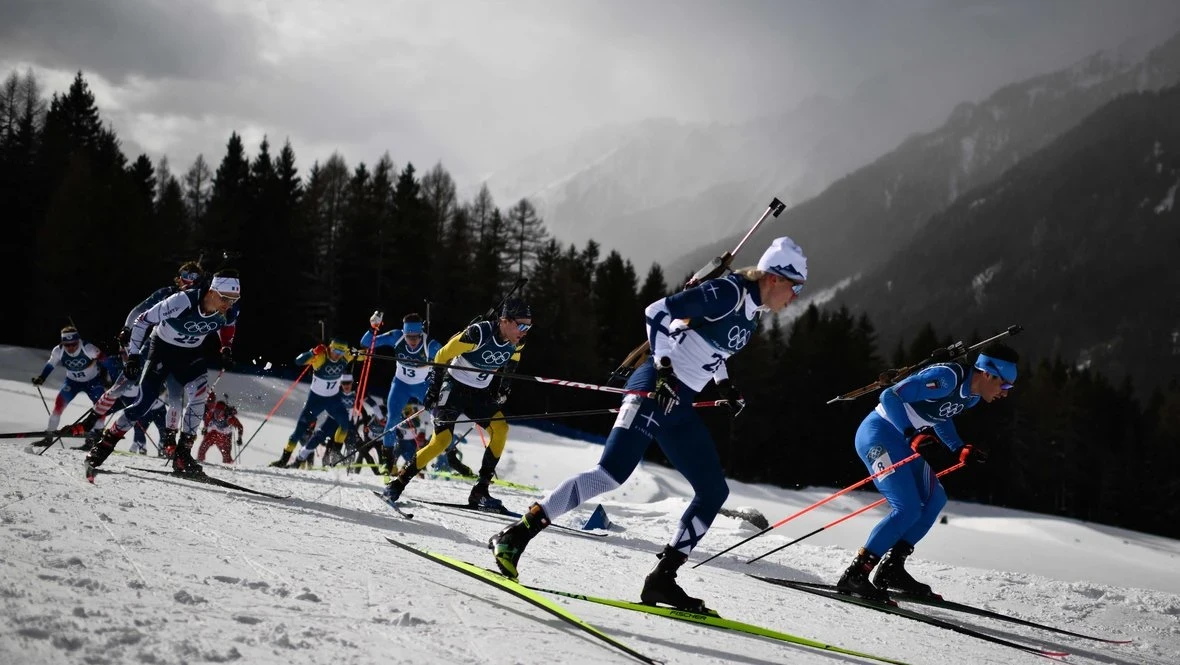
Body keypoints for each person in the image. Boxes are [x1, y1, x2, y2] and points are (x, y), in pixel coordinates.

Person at [489, 237, 809, 613]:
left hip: (680, 403)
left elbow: (713, 347)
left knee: (713, 492)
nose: (795, 297)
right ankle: (516, 535)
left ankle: (663, 579)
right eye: (795, 287)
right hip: (655, 388)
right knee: (609, 475)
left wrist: (725, 385)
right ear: (773, 278)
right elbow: (657, 310)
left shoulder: (752, 310)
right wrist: (662, 367)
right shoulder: (728, 293)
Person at [833, 342, 1018, 601]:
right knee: (907, 508)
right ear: (988, 373)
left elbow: (942, 414)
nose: (1005, 393)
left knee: (935, 499)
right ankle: (855, 574)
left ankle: (891, 569)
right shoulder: (945, 378)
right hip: (879, 435)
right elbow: (890, 396)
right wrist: (912, 434)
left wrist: (958, 448)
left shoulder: (973, 397)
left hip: (902, 442)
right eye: (1005, 385)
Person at [84, 270, 241, 478]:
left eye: (234, 299)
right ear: (211, 291)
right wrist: (133, 356)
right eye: (224, 298)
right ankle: (103, 447)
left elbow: (228, 327)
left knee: (199, 396)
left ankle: (182, 454)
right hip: (162, 351)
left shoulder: (229, 309)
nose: (228, 304)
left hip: (191, 355)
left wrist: (226, 348)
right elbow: (142, 320)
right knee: (143, 403)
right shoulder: (182, 301)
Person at [381, 298, 531, 509]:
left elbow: (513, 359)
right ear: (505, 320)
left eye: (529, 327)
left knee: (501, 428)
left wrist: (505, 386)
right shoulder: (478, 334)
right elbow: (442, 355)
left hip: (479, 392)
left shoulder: (518, 341)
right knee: (442, 441)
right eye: (522, 325)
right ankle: (397, 484)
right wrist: (434, 388)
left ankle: (480, 491)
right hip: (454, 388)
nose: (525, 331)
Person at [360, 313, 442, 470]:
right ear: (404, 333)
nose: (412, 341)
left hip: (422, 387)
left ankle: (441, 455)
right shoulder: (396, 337)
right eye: (408, 337)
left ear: (421, 333)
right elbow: (366, 342)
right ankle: (388, 462)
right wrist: (373, 327)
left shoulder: (430, 345)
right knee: (392, 420)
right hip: (400, 386)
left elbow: (450, 358)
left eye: (415, 337)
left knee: (439, 417)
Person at [270, 338, 357, 468]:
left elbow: (362, 355)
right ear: (330, 348)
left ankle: (335, 452)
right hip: (316, 400)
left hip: (333, 400)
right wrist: (312, 352)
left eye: (341, 351)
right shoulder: (321, 357)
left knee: (345, 424)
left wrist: (358, 353)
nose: (338, 354)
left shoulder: (345, 357)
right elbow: (298, 361)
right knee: (299, 431)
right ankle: (283, 460)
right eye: (335, 350)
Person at [32, 327, 109, 445]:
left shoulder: (88, 348)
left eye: (74, 344)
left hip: (93, 382)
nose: (71, 348)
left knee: (101, 408)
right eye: (67, 345)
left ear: (78, 341)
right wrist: (42, 378)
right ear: (63, 343)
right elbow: (51, 364)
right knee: (58, 406)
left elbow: (106, 361)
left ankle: (95, 438)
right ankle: (48, 436)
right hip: (72, 383)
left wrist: (114, 377)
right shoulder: (58, 350)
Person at [303, 373, 356, 468]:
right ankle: (321, 463)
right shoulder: (336, 394)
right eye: (344, 383)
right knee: (322, 439)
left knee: (351, 442)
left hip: (346, 423)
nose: (346, 386)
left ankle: (348, 463)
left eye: (348, 383)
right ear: (340, 384)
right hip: (333, 421)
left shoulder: (356, 394)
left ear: (352, 383)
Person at [198, 395, 243, 463]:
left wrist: (239, 438)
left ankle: (228, 466)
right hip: (214, 432)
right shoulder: (211, 413)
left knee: (226, 453)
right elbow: (207, 420)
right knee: (203, 447)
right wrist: (205, 428)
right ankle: (200, 461)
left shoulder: (229, 418)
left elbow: (240, 427)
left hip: (225, 436)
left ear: (223, 411)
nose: (216, 413)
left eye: (219, 411)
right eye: (216, 410)